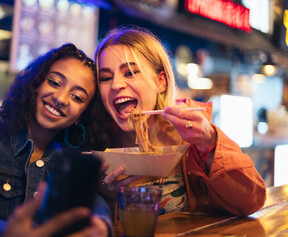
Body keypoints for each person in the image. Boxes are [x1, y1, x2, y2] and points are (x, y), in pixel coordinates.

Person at [94, 26, 267, 216]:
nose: (116, 85)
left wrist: (209, 144)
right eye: (105, 77)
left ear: (161, 82)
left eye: (130, 73)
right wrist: (103, 194)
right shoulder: (98, 141)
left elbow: (250, 201)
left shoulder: (190, 136)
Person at [0, 43, 111, 237]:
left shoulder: (76, 160)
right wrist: (5, 235)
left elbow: (95, 204)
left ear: (80, 116)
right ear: (36, 83)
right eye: (55, 83)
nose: (60, 98)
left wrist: (102, 226)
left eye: (77, 97)